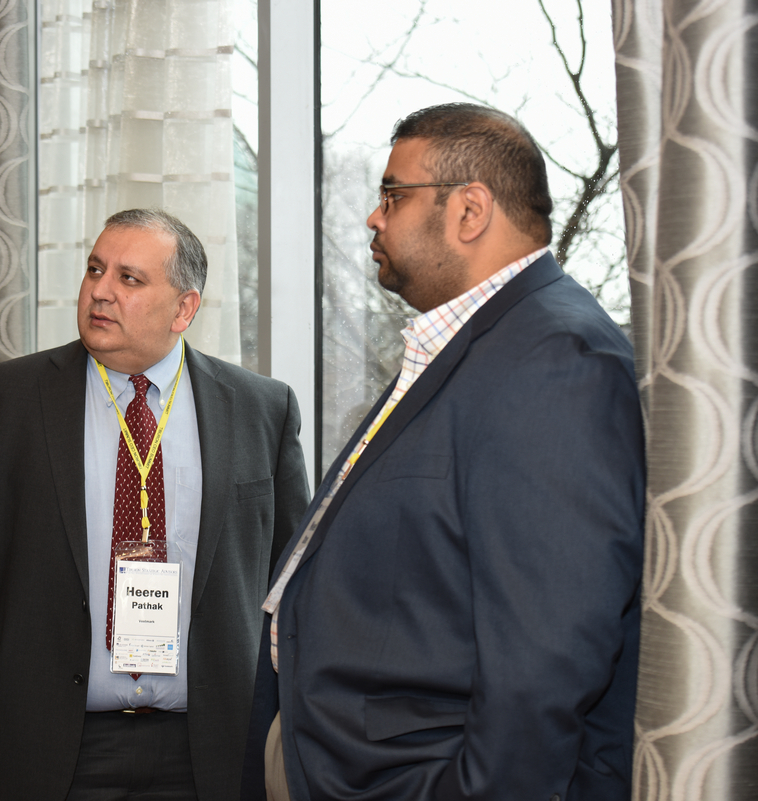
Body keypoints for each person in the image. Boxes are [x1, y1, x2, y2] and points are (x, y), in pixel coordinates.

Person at [244, 103, 645, 800]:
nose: (373, 217)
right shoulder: (476, 345)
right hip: (339, 759)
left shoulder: (556, 359)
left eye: (393, 194)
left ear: (469, 210)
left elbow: (546, 658)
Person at [0, 208, 311, 801]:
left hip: (217, 752)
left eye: (130, 278)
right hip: (48, 748)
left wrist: (289, 716)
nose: (100, 291)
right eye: (95, 269)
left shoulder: (261, 409)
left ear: (184, 309)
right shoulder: (4, 399)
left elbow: (294, 584)